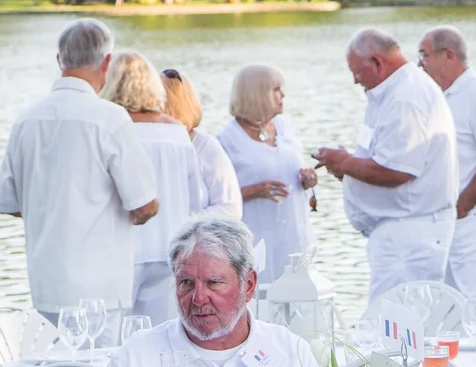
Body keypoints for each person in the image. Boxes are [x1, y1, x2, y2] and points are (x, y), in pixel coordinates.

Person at [88, 217, 319, 367]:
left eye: (213, 282)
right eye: (186, 283)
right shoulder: (136, 359)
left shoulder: (292, 354)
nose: (198, 298)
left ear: (249, 285)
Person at [0, 19, 159, 332]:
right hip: (102, 287)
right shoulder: (109, 118)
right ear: (106, 62)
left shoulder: (26, 120)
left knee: (52, 360)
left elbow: (7, 203)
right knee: (101, 362)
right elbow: (145, 204)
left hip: (46, 283)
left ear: (60, 60)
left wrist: (50, 208)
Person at [315, 28, 458, 302]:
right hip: (400, 231)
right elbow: (386, 159)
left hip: (409, 233)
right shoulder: (394, 92)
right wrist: (347, 168)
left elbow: (398, 171)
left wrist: (344, 162)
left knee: (396, 319)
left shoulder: (406, 97)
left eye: (357, 72)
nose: (355, 80)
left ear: (376, 62)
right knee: (392, 318)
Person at [101, 50, 202, 323]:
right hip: (170, 248)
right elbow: (196, 199)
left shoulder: (113, 130)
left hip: (122, 250)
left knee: (112, 335)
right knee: (159, 335)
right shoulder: (177, 132)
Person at [417, 25, 476, 305]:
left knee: (475, 300)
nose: (419, 63)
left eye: (424, 55)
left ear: (448, 55)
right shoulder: (437, 96)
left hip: (473, 217)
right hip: (443, 220)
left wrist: (462, 207)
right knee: (446, 302)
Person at [216, 63, 318, 284]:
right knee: (259, 294)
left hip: (294, 235)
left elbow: (292, 172)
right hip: (256, 237)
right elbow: (217, 198)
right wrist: (256, 190)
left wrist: (307, 180)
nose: (283, 95)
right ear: (257, 93)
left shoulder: (284, 127)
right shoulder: (227, 139)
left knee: (299, 293)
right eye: (276, 89)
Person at [162, 67, 243, 220]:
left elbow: (230, 208)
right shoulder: (150, 144)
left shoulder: (206, 147)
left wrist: (182, 223)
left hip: (193, 233)